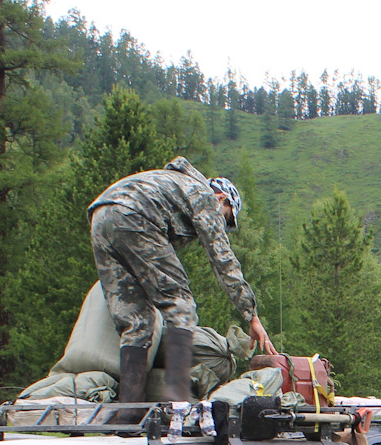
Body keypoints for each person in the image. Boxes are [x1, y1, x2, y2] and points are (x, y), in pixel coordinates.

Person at [89, 157, 271, 402]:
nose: (223, 226)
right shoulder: (206, 197)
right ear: (222, 199)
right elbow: (224, 261)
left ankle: (128, 410)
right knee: (181, 306)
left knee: (136, 319)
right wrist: (252, 316)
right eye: (227, 219)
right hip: (138, 215)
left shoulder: (176, 185)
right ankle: (177, 403)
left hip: (101, 215)